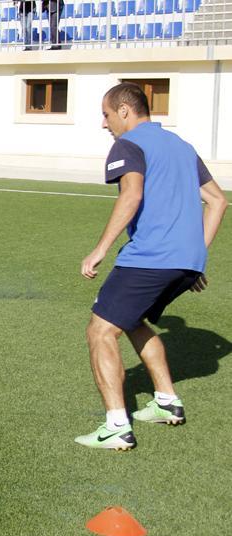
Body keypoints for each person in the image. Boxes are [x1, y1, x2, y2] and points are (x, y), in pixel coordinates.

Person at [75, 82, 227, 450]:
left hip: (150, 258)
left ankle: (116, 426)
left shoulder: (128, 144)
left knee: (100, 330)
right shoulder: (182, 146)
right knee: (131, 320)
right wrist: (195, 255)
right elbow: (218, 201)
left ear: (124, 111)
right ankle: (166, 401)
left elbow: (132, 194)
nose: (104, 123)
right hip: (184, 263)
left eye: (106, 115)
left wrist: (99, 249)